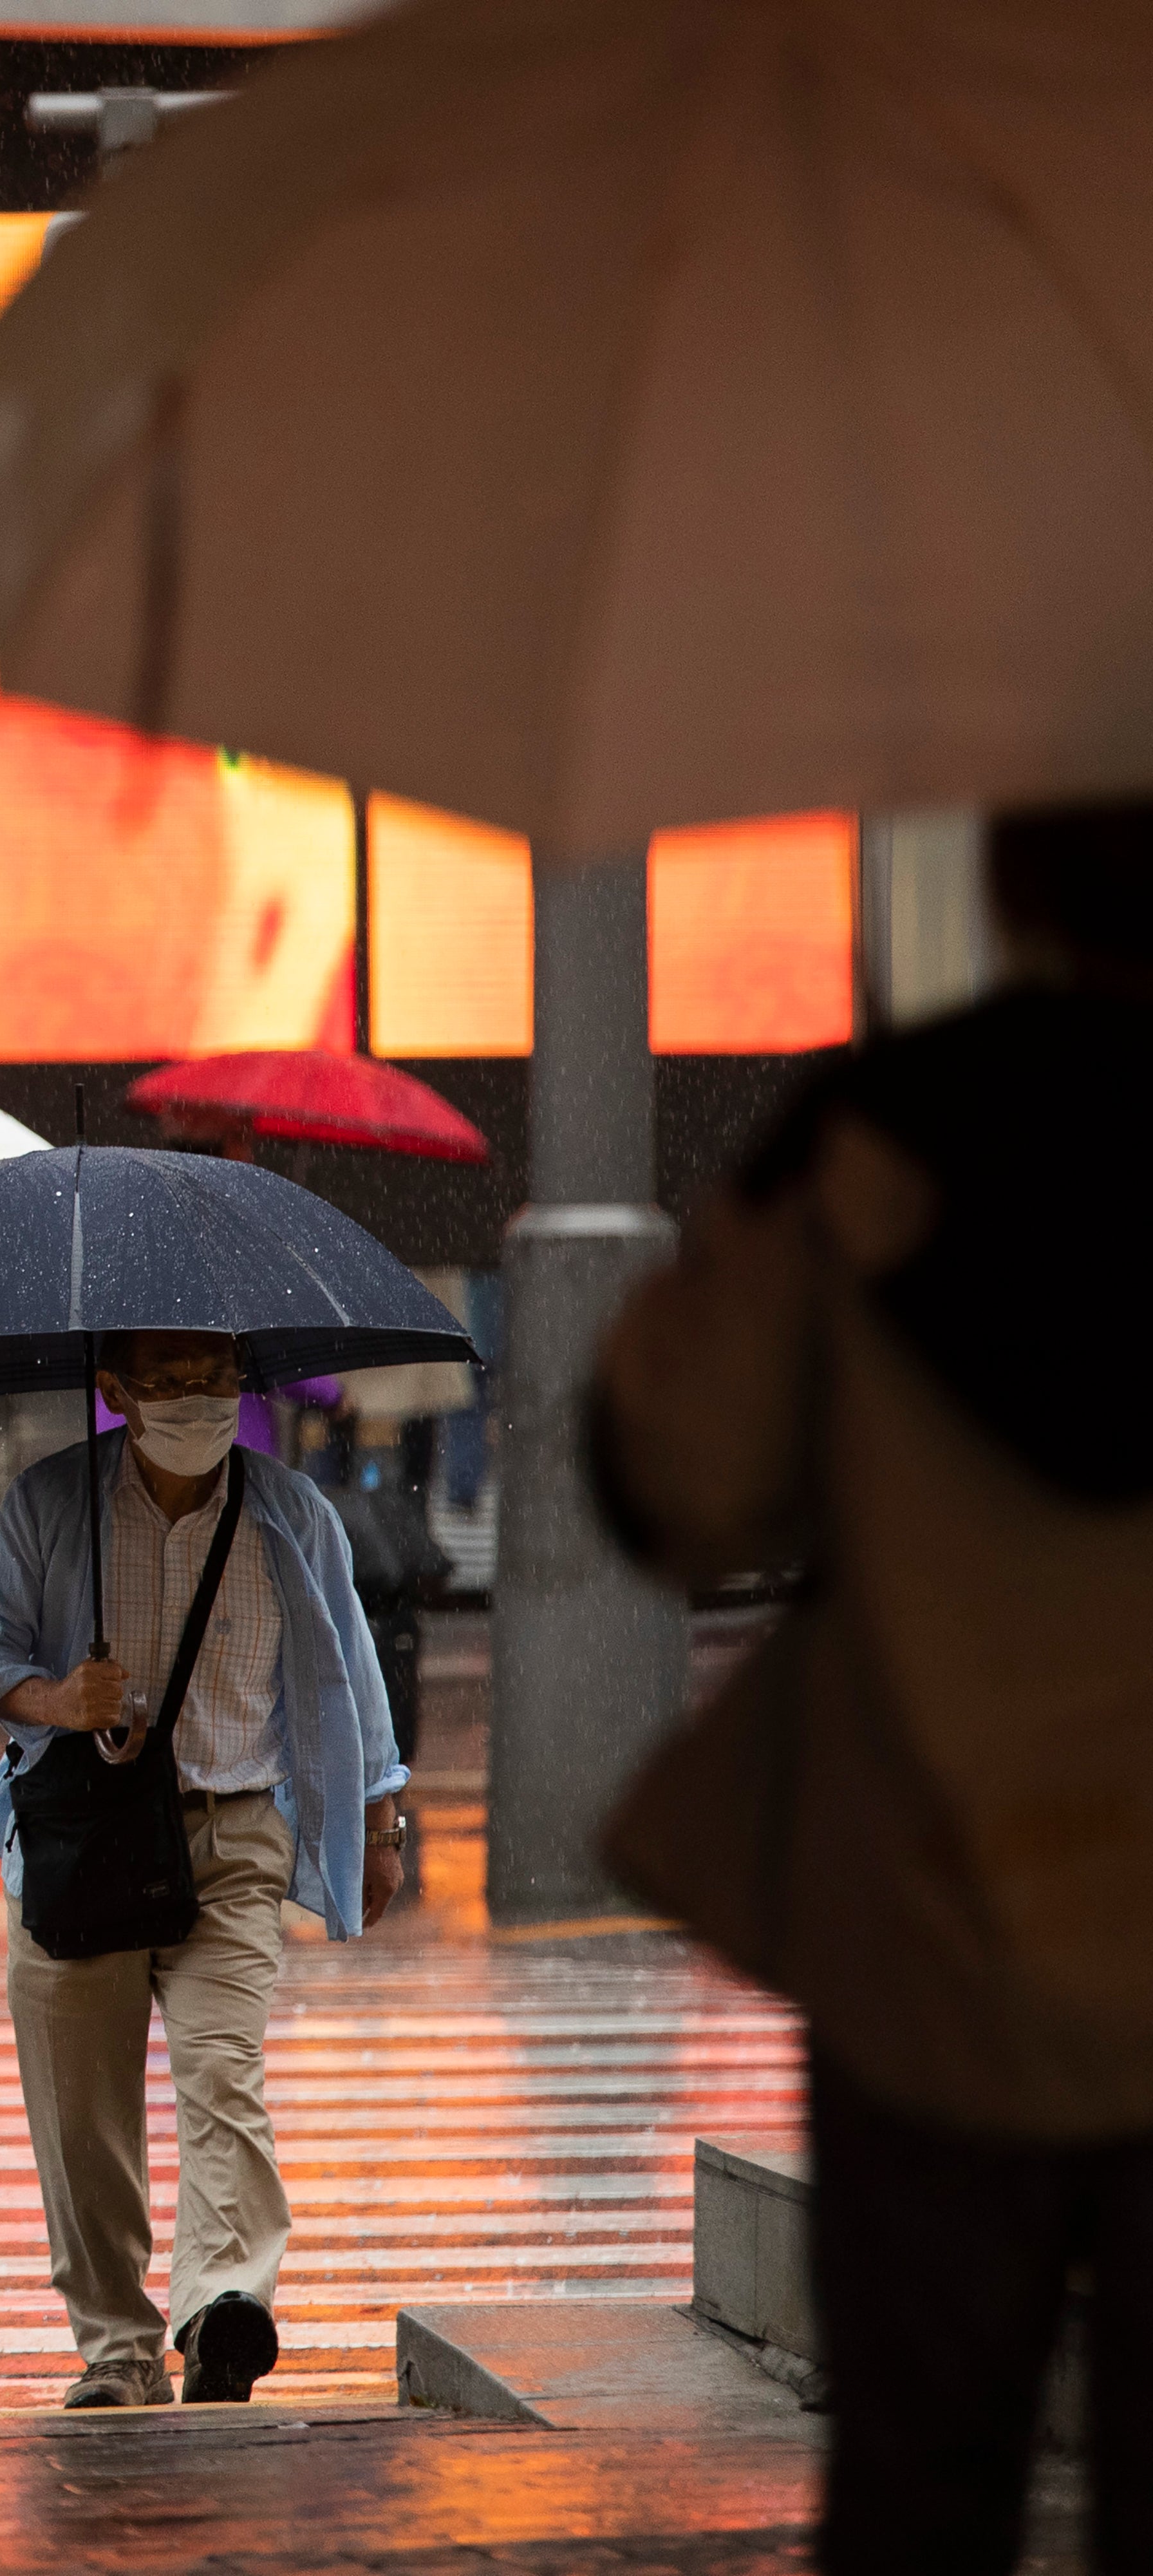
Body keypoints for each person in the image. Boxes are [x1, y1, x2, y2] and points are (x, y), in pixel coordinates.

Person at [595, 801, 1153, 2576]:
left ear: (1009, 878)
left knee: (922, 2484)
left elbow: (673, 1479)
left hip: (933, 1932)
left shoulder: (875, 1143)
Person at [0, 1330, 406, 2411]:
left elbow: (351, 1672)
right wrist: (61, 1701)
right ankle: (116, 2348)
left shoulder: (294, 1513)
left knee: (223, 2076)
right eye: (168, 1381)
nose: (197, 1401)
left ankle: (222, 2311)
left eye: (215, 1380)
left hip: (234, 1838)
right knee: (84, 2117)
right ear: (113, 1391)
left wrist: (381, 1823)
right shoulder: (52, 1502)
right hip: (79, 1842)